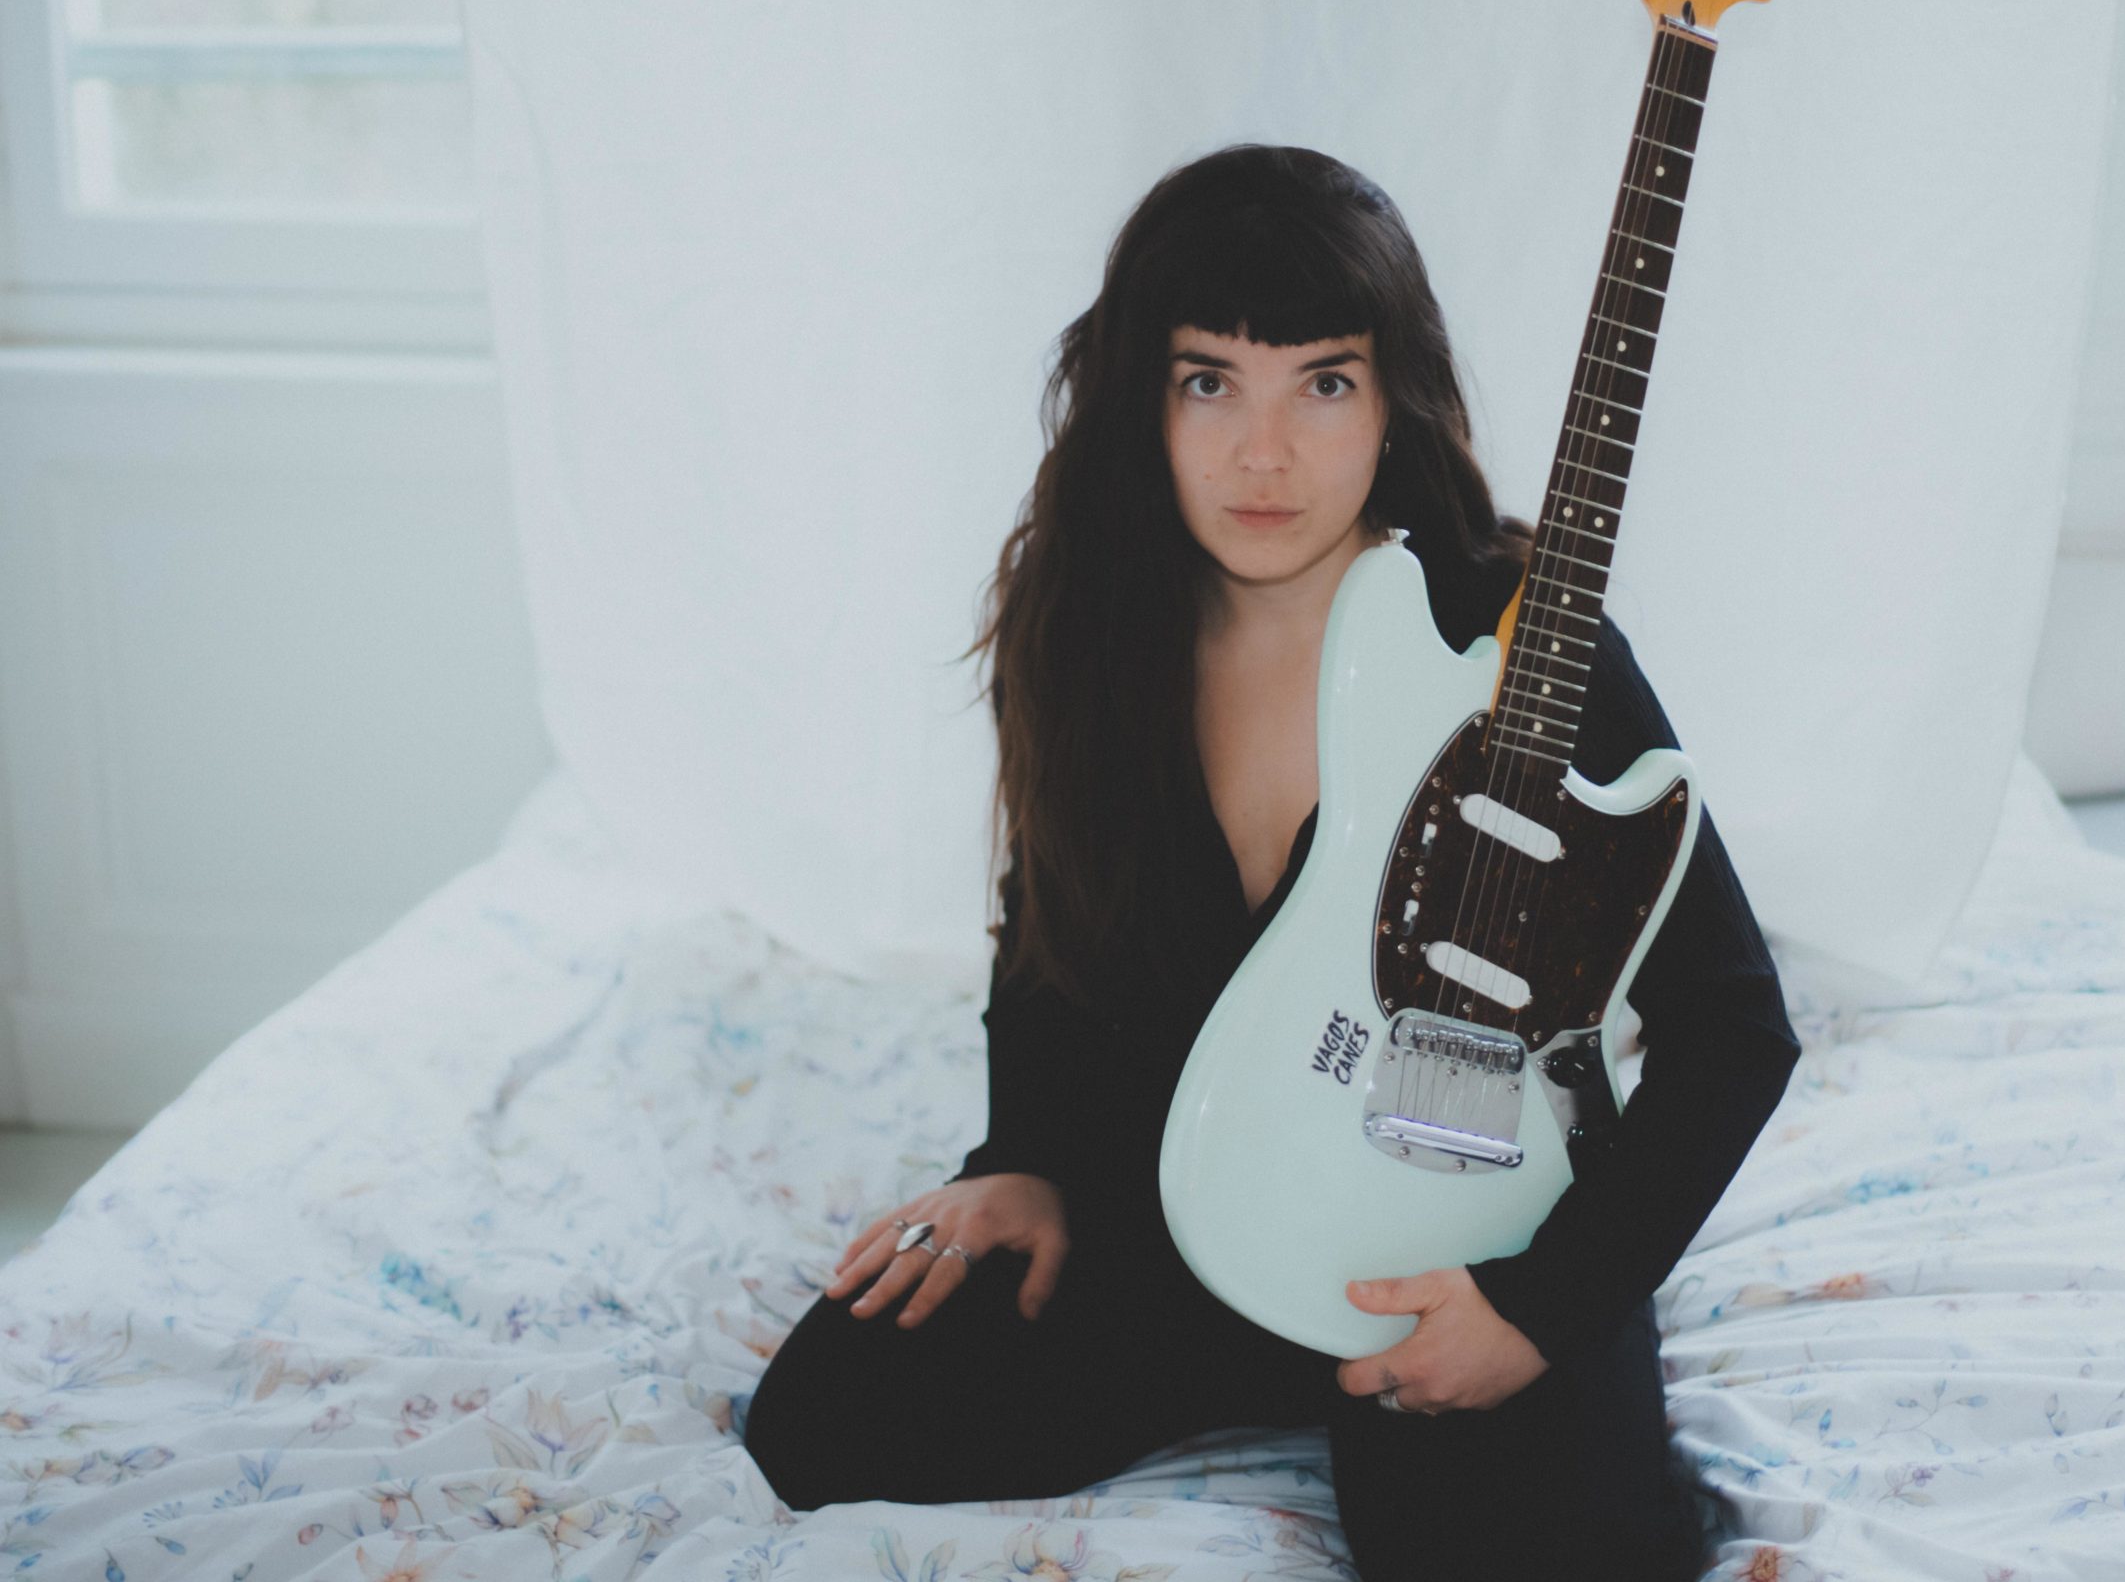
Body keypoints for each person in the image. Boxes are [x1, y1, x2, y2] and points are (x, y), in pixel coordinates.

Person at [742, 143, 1801, 1579]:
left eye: (1323, 383)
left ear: (1393, 398)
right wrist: (1025, 1160)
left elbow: (1734, 1028)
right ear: (1143, 396)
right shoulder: (1091, 624)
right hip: (1177, 1212)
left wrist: (1538, 1314)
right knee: (825, 1418)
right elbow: (1045, 924)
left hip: (1458, 1237)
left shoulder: (1517, 649)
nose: (1263, 453)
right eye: (1209, 382)